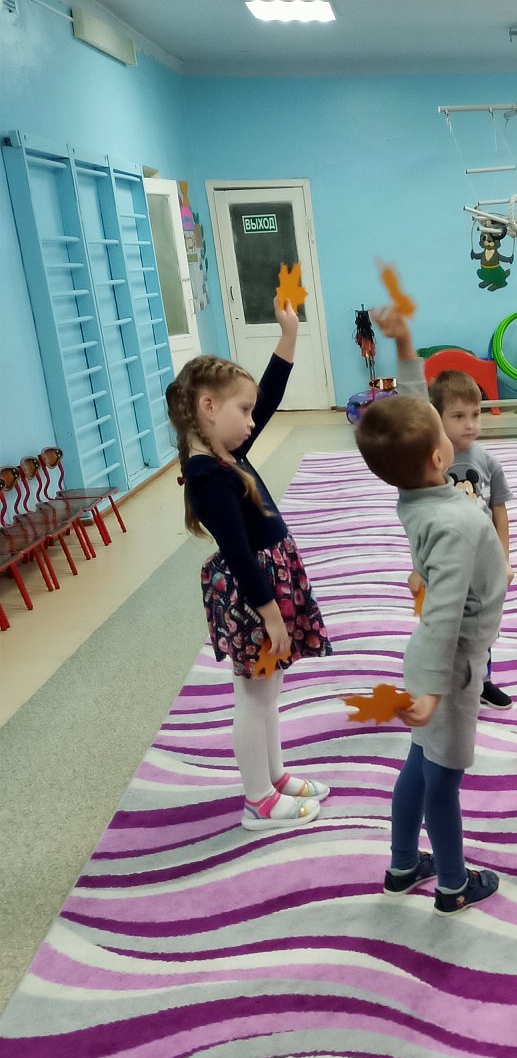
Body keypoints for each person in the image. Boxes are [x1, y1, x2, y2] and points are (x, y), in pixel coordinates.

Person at [353, 303, 507, 914]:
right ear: (441, 457)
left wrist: (405, 345)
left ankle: (401, 865)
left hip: (441, 664)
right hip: (454, 662)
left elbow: (414, 415)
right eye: (445, 431)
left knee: (419, 763)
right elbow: (442, 616)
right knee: (443, 778)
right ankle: (452, 884)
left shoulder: (413, 489)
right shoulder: (455, 523)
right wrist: (433, 691)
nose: (451, 432)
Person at [165, 296, 332, 831]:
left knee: (268, 691)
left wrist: (288, 334)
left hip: (266, 586)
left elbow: (270, 394)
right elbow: (238, 553)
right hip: (255, 595)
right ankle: (257, 800)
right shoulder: (209, 475)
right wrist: (272, 614)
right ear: (209, 408)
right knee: (254, 697)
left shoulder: (226, 451)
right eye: (243, 411)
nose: (252, 421)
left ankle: (274, 777)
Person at [419, 367, 516, 709]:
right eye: (458, 416)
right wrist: (420, 566)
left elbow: (499, 511)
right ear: (438, 417)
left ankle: (482, 680)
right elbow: (422, 518)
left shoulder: (489, 462)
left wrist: (504, 560)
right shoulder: (431, 463)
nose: (470, 424)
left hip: (483, 561)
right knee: (444, 622)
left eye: (475, 414)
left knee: (482, 622)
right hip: (445, 561)